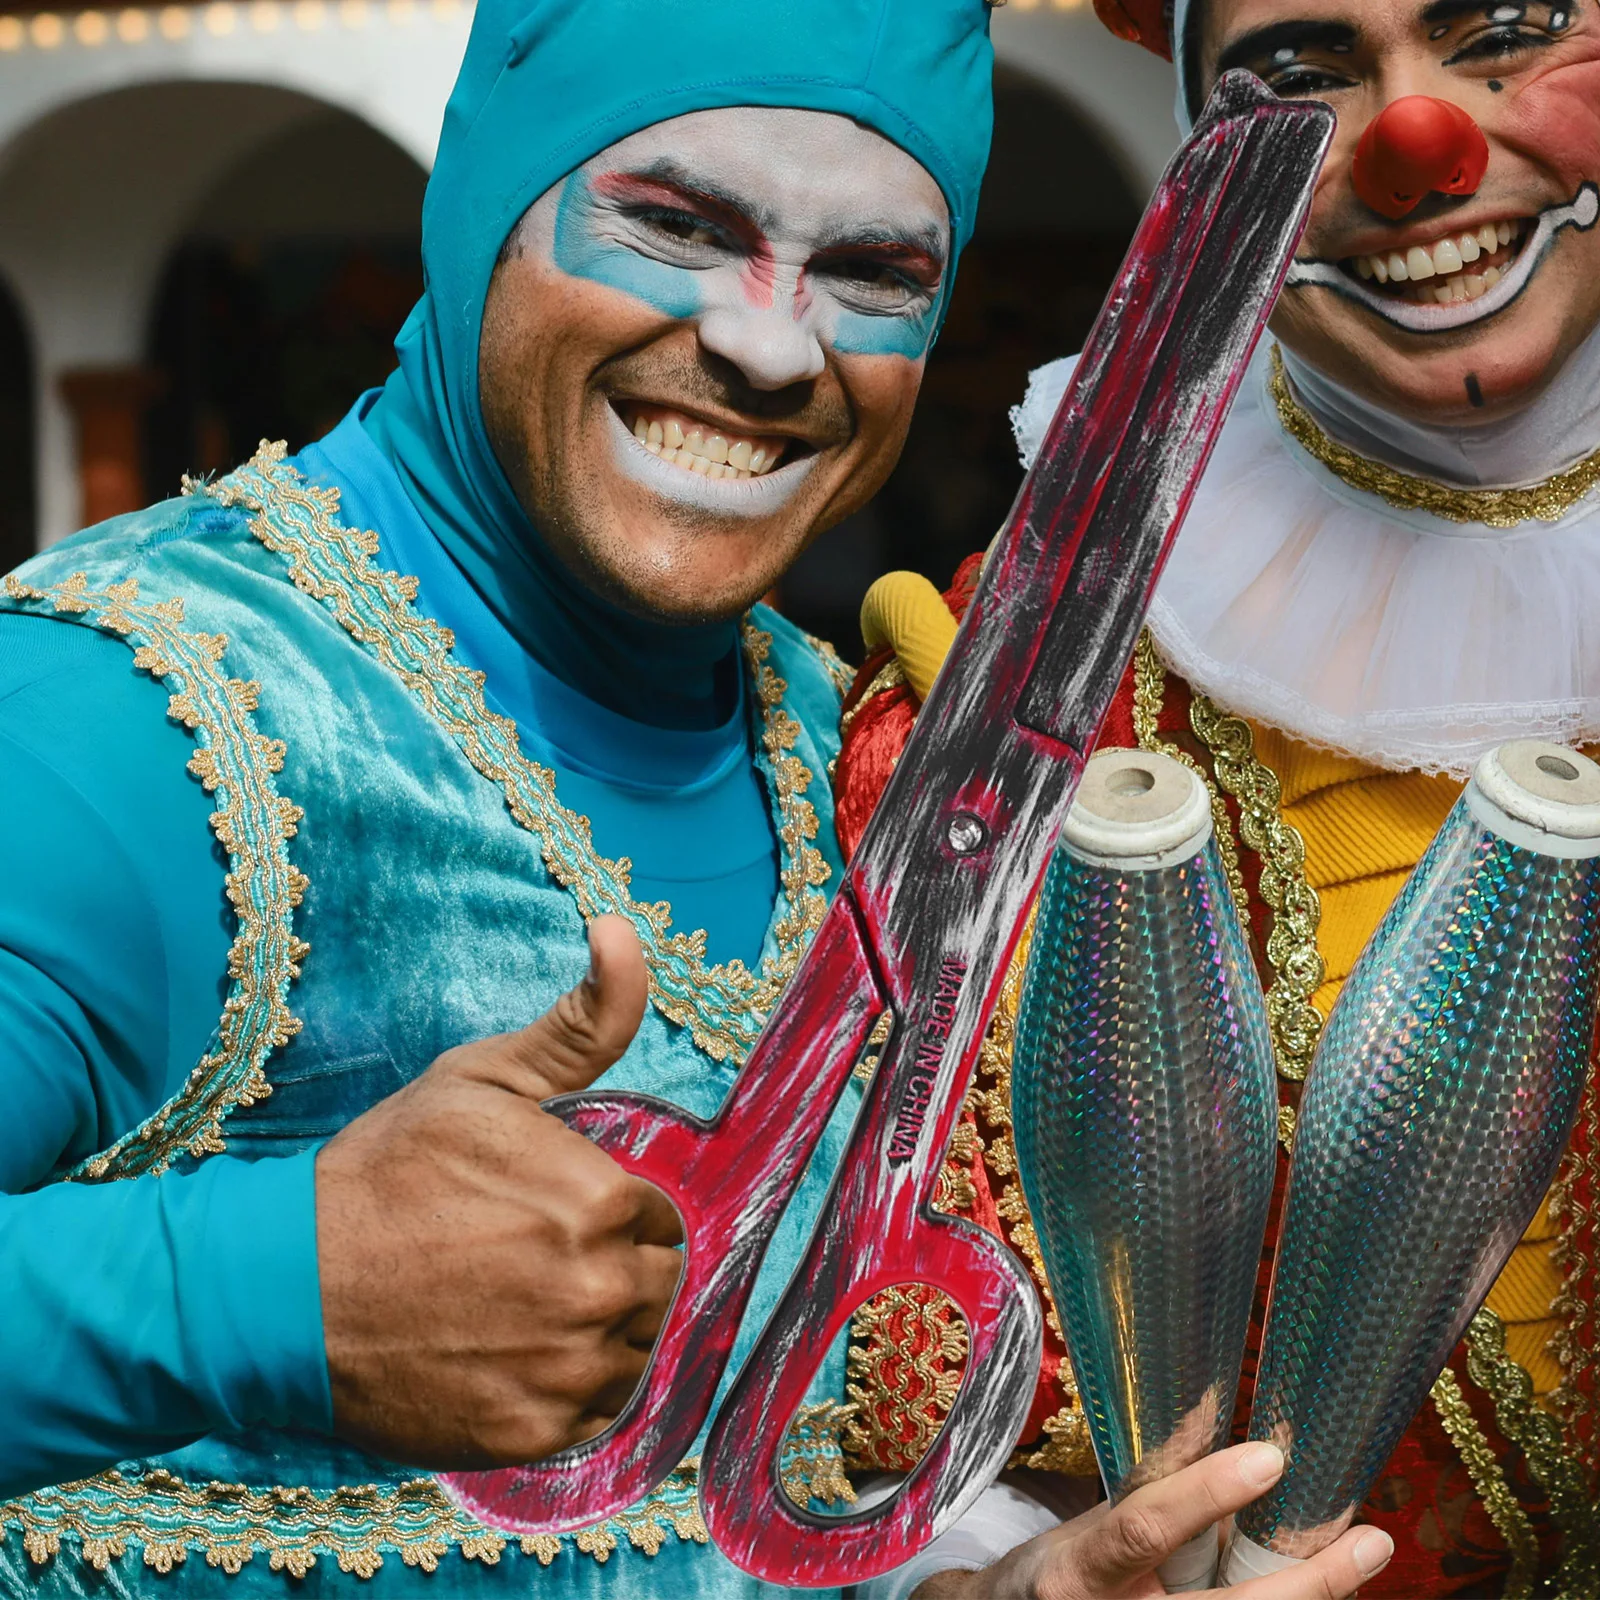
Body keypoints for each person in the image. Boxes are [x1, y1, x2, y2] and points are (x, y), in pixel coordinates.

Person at [0, 0, 1385, 1595]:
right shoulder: (132, 715)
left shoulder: (834, 749)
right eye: (673, 224)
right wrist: (259, 1297)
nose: (772, 343)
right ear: (484, 205)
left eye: (873, 275)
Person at [835, 0, 1600, 1592]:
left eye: (1506, 30)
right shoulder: (1014, 705)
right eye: (1298, 74)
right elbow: (912, 1416)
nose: (1419, 144)